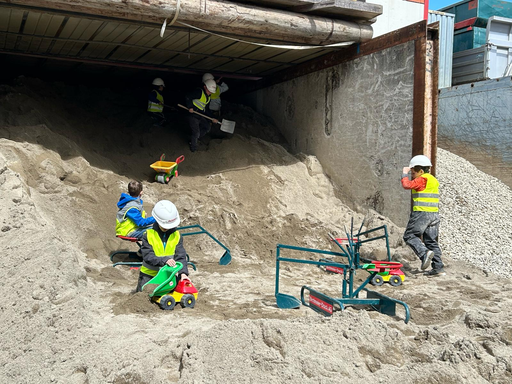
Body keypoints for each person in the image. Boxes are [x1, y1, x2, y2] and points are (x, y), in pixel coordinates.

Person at [401, 155, 445, 276]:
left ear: (421, 171)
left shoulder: (423, 179)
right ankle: (438, 268)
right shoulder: (433, 180)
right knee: (431, 241)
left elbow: (407, 185)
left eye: (413, 173)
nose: (413, 176)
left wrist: (404, 173)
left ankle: (424, 254)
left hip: (421, 213)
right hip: (434, 215)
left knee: (409, 235)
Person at [136, 200, 191, 292]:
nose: (166, 228)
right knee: (144, 297)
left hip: (169, 276)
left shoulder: (177, 236)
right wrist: (164, 260)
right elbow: (148, 256)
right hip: (149, 276)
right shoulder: (148, 235)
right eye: (164, 226)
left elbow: (181, 256)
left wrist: (183, 273)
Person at [185, 79, 218, 152]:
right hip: (193, 115)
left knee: (207, 127)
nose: (210, 93)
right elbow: (188, 96)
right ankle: (193, 148)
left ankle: (195, 139)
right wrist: (190, 106)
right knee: (196, 132)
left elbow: (206, 110)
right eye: (209, 90)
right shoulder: (199, 92)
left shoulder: (208, 97)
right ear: (205, 87)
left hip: (200, 115)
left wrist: (212, 118)